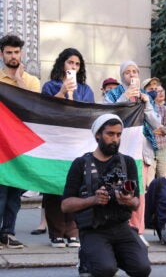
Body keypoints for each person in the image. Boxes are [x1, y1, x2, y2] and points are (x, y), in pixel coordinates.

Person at [61, 114, 151, 277]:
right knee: (105, 270)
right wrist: (93, 200)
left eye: (118, 135)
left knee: (142, 269)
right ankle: (89, 259)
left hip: (122, 227)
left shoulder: (128, 163)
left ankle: (105, 255)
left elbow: (137, 203)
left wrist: (127, 200)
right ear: (98, 135)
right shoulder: (81, 164)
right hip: (93, 229)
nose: (115, 139)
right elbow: (66, 205)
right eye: (110, 134)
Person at [104, 61, 161, 246]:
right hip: (118, 150)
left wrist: (147, 104)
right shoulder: (113, 94)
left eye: (134, 71)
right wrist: (124, 98)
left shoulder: (145, 97)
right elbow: (106, 115)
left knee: (139, 192)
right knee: (118, 189)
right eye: (127, 72)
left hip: (140, 151)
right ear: (122, 76)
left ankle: (137, 230)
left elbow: (155, 123)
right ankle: (120, 229)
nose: (131, 75)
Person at [42, 48, 95, 248]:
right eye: (70, 62)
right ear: (62, 64)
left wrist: (73, 95)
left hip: (77, 145)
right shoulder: (50, 86)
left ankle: (73, 231)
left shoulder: (85, 90)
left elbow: (88, 114)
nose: (73, 66)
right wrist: (63, 91)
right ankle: (56, 232)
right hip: (56, 143)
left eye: (77, 64)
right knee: (54, 186)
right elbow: (45, 110)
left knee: (77, 185)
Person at [0, 34, 41, 249]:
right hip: (1, 144)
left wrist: (18, 80)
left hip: (21, 145)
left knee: (15, 191)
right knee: (0, 191)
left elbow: (33, 107)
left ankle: (8, 232)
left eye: (16, 52)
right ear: (2, 54)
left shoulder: (32, 81)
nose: (13, 56)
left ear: (21, 53)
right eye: (9, 52)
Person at [142, 77, 166, 180]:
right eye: (151, 89)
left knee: (164, 178)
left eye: (156, 89)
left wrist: (161, 129)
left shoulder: (162, 108)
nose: (154, 92)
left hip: (162, 148)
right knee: (148, 181)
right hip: (147, 148)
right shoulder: (141, 107)